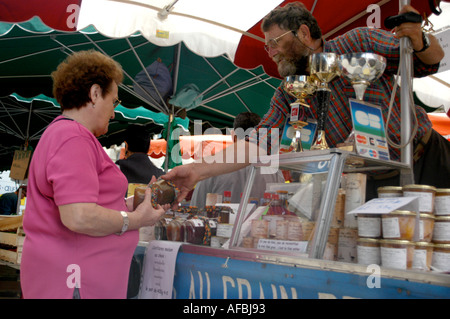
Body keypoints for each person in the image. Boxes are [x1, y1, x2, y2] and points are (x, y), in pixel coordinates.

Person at [162, 2, 449, 203]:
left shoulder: (357, 42)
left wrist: (419, 39)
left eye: (275, 42)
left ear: (302, 33)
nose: (271, 52)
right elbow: (257, 143)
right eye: (266, 45)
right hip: (368, 179)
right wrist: (197, 170)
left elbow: (428, 62)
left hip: (425, 157)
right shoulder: (290, 90)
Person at [20, 50, 168, 299]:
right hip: (77, 283)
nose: (113, 113)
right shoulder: (73, 137)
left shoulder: (65, 134)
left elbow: (84, 204)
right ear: (95, 93)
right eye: (114, 101)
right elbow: (79, 216)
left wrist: (134, 204)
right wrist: (134, 221)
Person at [190, 112, 285, 208]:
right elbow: (281, 211)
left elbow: (196, 208)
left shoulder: (212, 168)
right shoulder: (274, 171)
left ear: (234, 137)